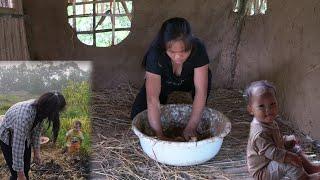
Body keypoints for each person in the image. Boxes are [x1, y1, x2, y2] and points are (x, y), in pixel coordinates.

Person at [131, 17, 212, 141]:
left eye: (184, 51)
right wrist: (159, 134)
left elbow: (201, 92)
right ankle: (163, 101)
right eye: (172, 52)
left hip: (189, 82)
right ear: (164, 47)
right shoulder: (155, 53)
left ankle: (196, 118)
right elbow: (152, 99)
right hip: (164, 83)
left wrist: (191, 127)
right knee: (138, 114)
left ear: (191, 45)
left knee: (201, 118)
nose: (178, 56)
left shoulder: (199, 49)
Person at [245, 80, 320, 180]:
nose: (268, 109)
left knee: (294, 150)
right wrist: (289, 157)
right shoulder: (259, 132)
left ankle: (310, 168)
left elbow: (275, 141)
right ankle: (305, 178)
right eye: (261, 106)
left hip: (270, 161)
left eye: (272, 104)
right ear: (251, 109)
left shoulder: (268, 122)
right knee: (287, 160)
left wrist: (286, 140)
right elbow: (272, 152)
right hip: (263, 172)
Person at [0, 92, 66, 180]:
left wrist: (36, 152)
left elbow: (37, 131)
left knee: (26, 169)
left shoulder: (41, 110)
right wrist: (20, 175)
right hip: (8, 137)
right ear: (49, 109)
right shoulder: (24, 116)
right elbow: (17, 148)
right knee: (16, 174)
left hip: (24, 136)